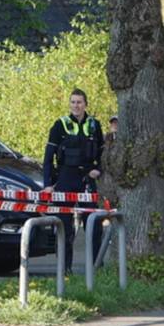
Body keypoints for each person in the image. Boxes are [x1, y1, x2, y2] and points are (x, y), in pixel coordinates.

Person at [43, 88, 104, 272]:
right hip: (65, 178)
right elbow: (48, 158)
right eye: (73, 102)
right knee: (64, 226)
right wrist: (47, 185)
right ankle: (64, 269)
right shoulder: (59, 125)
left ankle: (96, 268)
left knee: (93, 224)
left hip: (87, 178)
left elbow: (103, 154)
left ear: (86, 104)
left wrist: (98, 170)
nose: (76, 105)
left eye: (79, 102)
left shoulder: (94, 125)